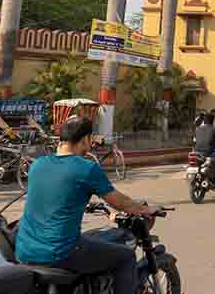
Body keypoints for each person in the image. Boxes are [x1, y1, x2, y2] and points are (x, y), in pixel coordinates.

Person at [16, 116, 159, 294]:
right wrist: (145, 209)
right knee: (126, 256)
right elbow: (120, 202)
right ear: (85, 139)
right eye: (91, 139)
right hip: (59, 252)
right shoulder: (86, 168)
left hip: (24, 250)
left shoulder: (38, 165)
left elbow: (56, 197)